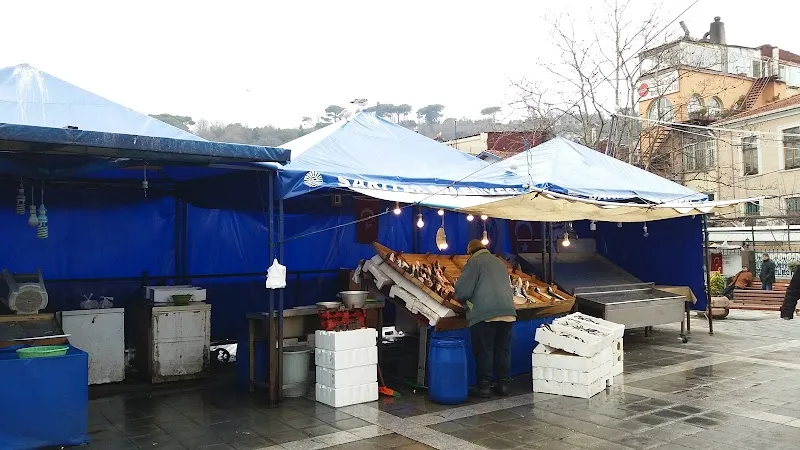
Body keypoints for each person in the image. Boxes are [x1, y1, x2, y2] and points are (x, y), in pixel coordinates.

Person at [455, 239, 517, 398]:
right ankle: (503, 385)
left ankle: (484, 387)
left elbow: (462, 292)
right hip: (508, 312)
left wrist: (468, 305)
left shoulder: (474, 263)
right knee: (503, 350)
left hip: (485, 314)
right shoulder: (499, 262)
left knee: (485, 351)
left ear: (470, 252)